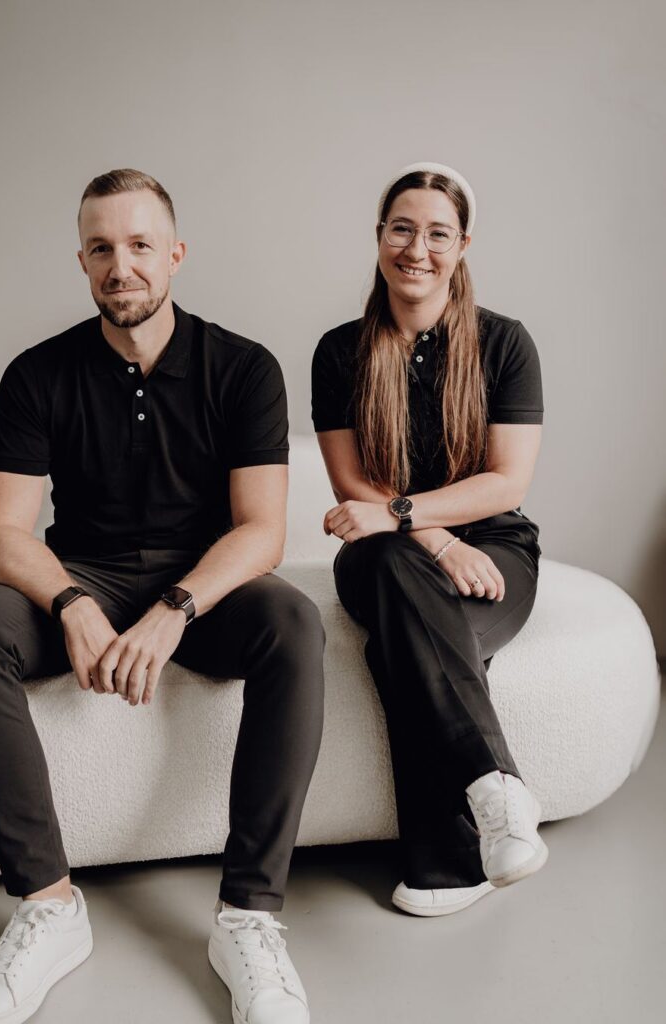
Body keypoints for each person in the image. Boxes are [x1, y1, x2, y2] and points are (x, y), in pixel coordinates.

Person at [0, 168, 322, 1024]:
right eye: (102, 248)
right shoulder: (38, 373)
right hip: (86, 573)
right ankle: (47, 907)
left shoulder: (243, 368)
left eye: (141, 245)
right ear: (81, 260)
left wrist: (175, 609)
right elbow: (0, 536)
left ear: (175, 254)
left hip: (201, 584)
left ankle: (248, 918)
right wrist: (71, 601)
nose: (123, 267)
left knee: (293, 620)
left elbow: (260, 531)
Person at [311, 161, 548, 918]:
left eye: (438, 234)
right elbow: (353, 486)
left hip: (495, 548)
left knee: (402, 646)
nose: (417, 249)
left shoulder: (504, 343)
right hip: (384, 556)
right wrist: (437, 541)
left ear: (462, 245)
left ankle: (443, 863)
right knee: (389, 562)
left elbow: (506, 482)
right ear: (380, 236)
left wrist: (409, 515)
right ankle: (497, 790)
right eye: (402, 229)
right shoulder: (338, 351)